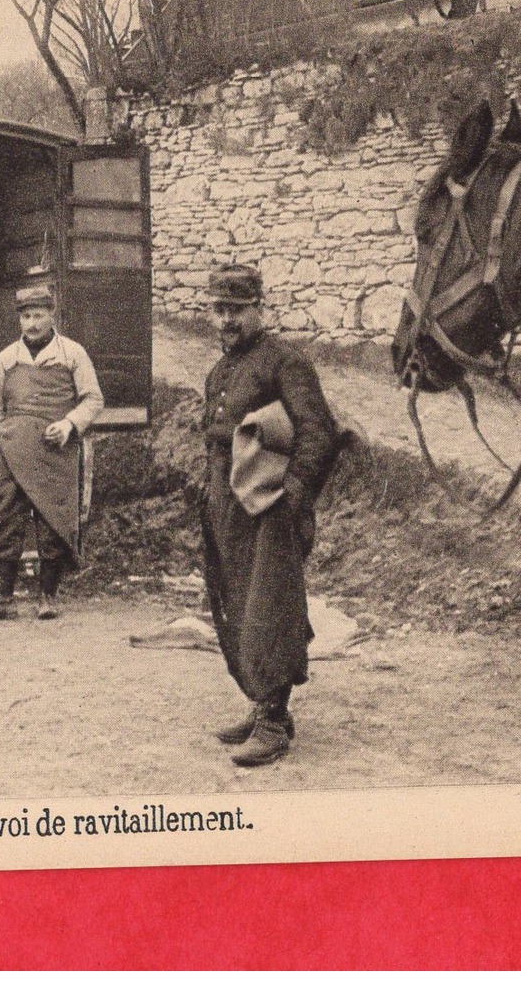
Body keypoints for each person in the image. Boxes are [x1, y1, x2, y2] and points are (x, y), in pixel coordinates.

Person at [200, 263, 341, 767]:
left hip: (269, 512)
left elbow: (319, 433)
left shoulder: (285, 362)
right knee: (239, 606)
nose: (225, 321)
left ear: (259, 309)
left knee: (270, 611)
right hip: (227, 507)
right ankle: (263, 705)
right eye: (218, 310)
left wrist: (292, 501)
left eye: (235, 311)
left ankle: (275, 725)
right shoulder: (220, 370)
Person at [0, 284, 103, 623]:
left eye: (38, 315)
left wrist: (69, 424)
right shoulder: (7, 357)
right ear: (19, 319)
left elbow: (93, 399)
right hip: (11, 452)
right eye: (26, 316)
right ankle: (3, 599)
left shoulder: (72, 353)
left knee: (53, 520)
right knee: (3, 519)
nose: (31, 324)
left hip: (54, 450)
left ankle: (48, 596)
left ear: (51, 315)